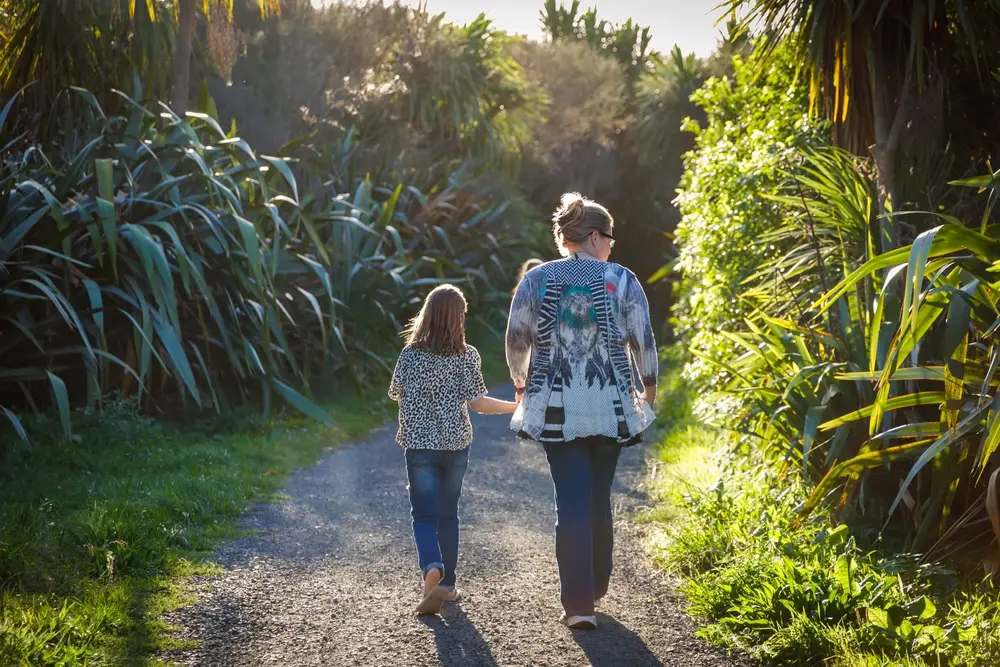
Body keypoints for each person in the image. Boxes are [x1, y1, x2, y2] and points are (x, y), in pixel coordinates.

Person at [505, 193, 657, 630]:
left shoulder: (537, 280)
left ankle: (578, 605)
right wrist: (647, 387)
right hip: (610, 406)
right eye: (609, 238)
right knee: (597, 498)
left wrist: (520, 381)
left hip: (555, 408)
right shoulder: (622, 279)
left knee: (570, 499)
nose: (612, 245)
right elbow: (642, 338)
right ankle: (596, 583)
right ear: (594, 236)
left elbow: (517, 337)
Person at [389, 284, 518, 616]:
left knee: (423, 515)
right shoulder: (467, 356)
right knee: (448, 514)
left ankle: (432, 566)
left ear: (427, 315)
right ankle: (446, 586)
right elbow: (478, 403)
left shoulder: (409, 355)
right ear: (459, 318)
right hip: (456, 445)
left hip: (419, 445)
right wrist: (514, 407)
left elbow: (397, 394)